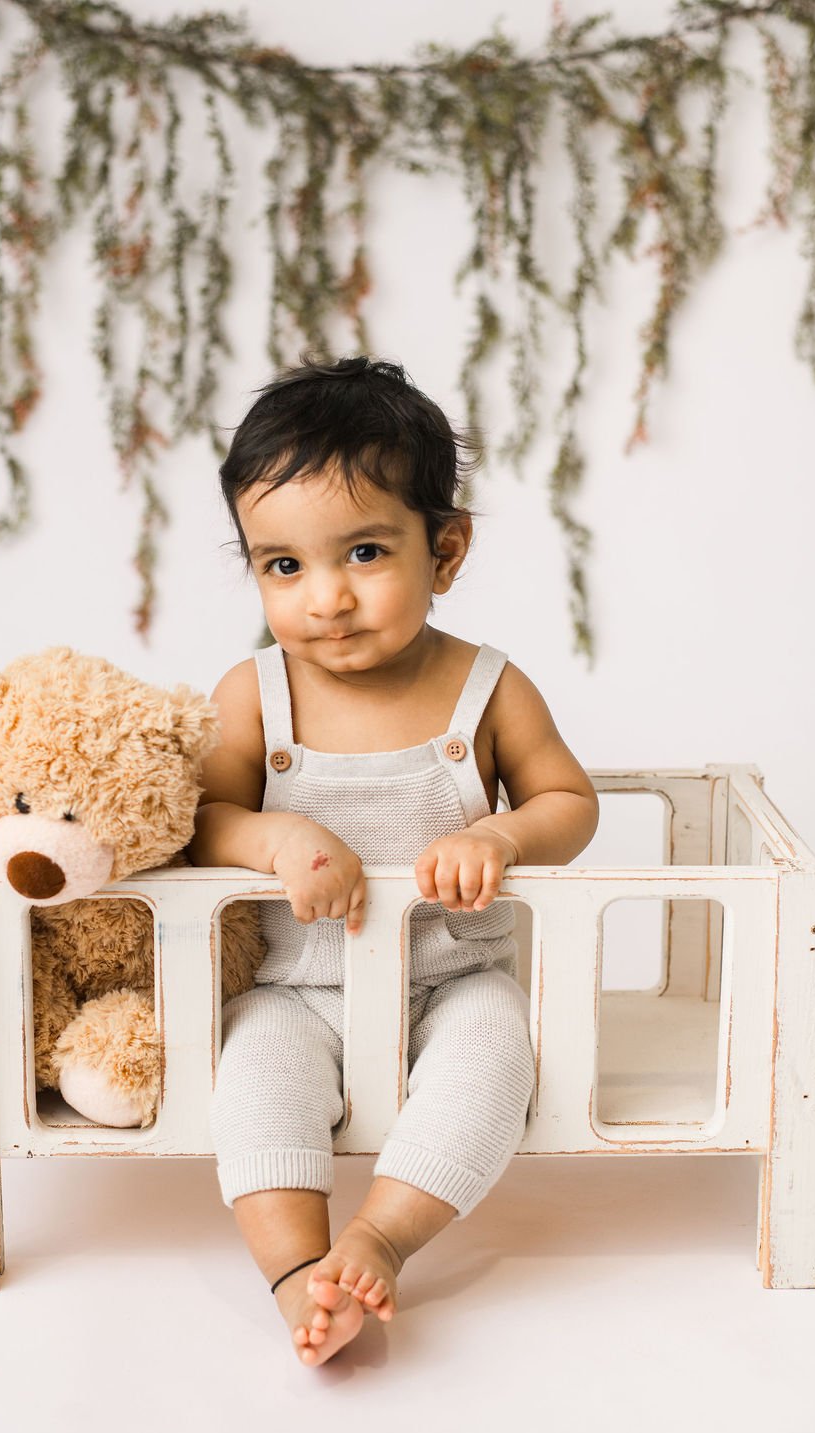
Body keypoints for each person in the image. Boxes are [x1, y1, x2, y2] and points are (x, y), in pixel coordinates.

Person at [188, 355, 599, 1366]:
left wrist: (499, 834)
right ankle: (297, 1271)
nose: (326, 598)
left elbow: (569, 801)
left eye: (365, 552)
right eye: (283, 566)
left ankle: (381, 1234)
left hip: (454, 975)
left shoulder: (487, 688)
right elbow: (201, 820)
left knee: (494, 1058)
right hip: (298, 984)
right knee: (254, 1076)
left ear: (444, 550)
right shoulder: (254, 693)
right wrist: (274, 836)